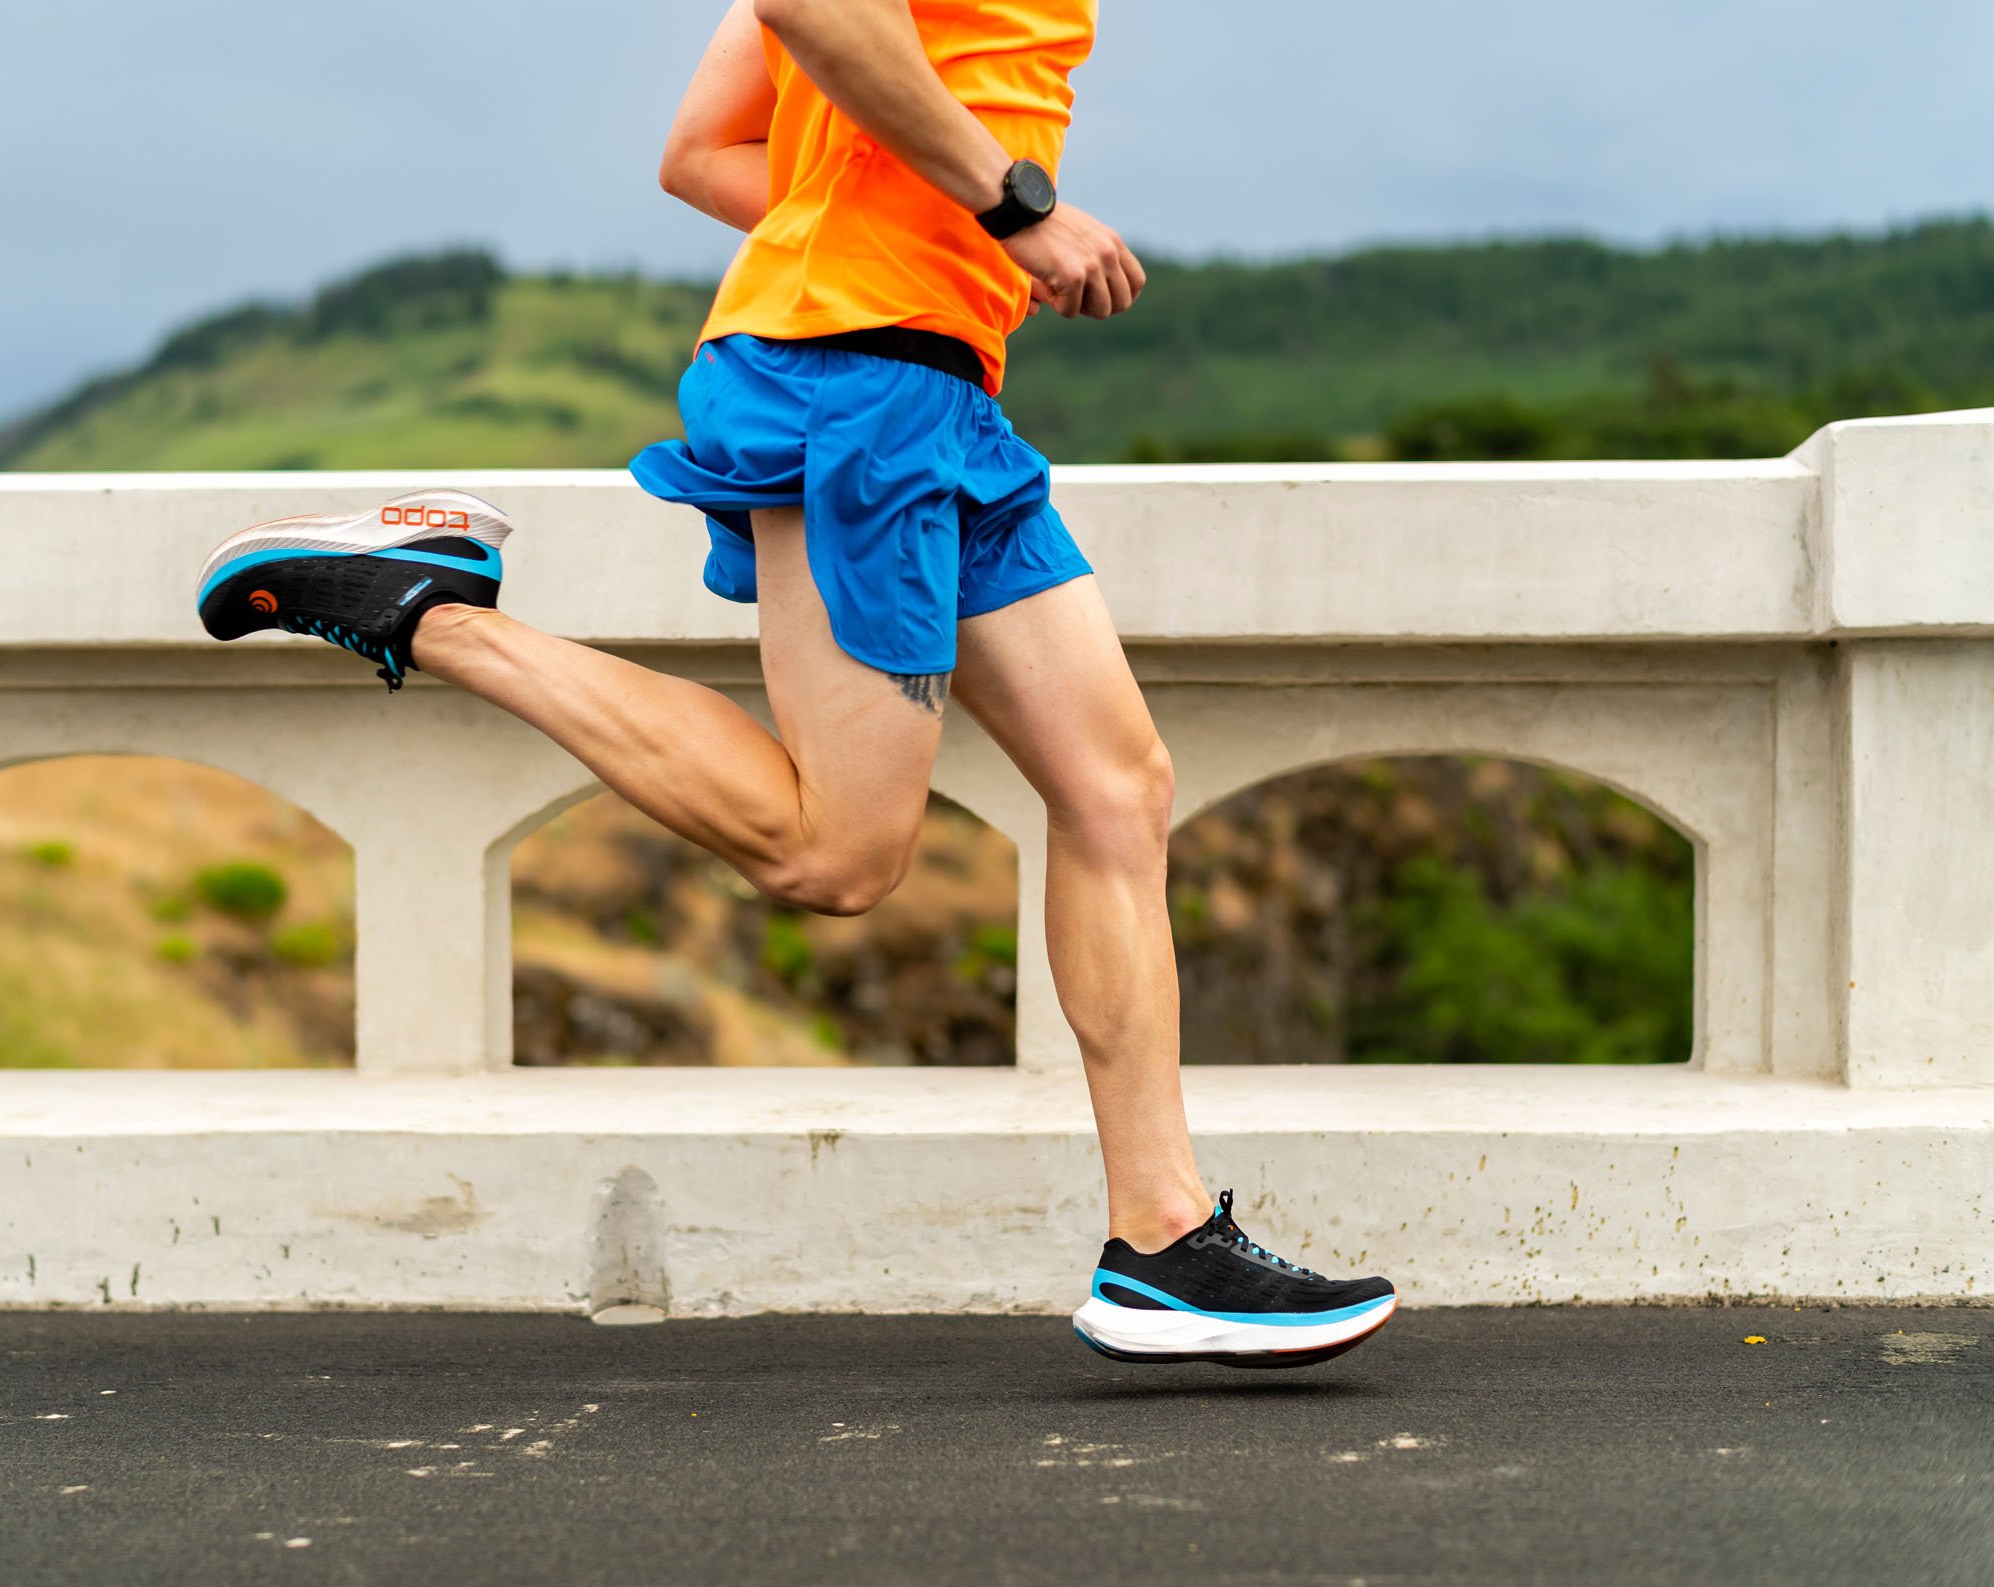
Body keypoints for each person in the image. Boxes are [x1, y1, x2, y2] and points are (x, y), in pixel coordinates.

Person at [196, 0, 1396, 1364]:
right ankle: (424, 609)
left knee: (1118, 787)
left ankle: (1164, 1242)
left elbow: (704, 151)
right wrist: (1013, 207)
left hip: (926, 381)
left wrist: (922, 216)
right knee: (837, 852)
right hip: (859, 381)